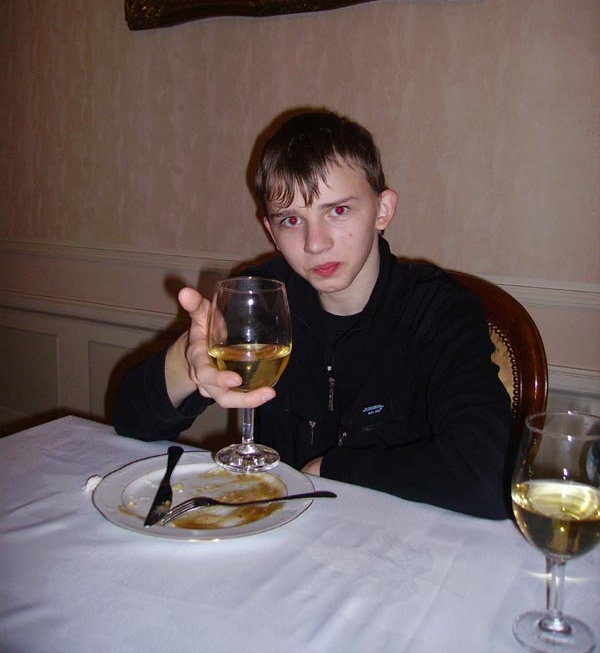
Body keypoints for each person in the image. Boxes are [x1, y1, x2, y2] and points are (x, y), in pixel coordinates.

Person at [113, 111, 513, 519]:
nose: (315, 243)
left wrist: (332, 470)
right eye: (291, 220)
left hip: (395, 542)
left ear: (382, 210)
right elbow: (130, 422)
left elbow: (491, 475)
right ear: (270, 231)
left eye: (337, 211)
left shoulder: (437, 309)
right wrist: (187, 361)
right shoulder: (262, 299)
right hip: (278, 535)